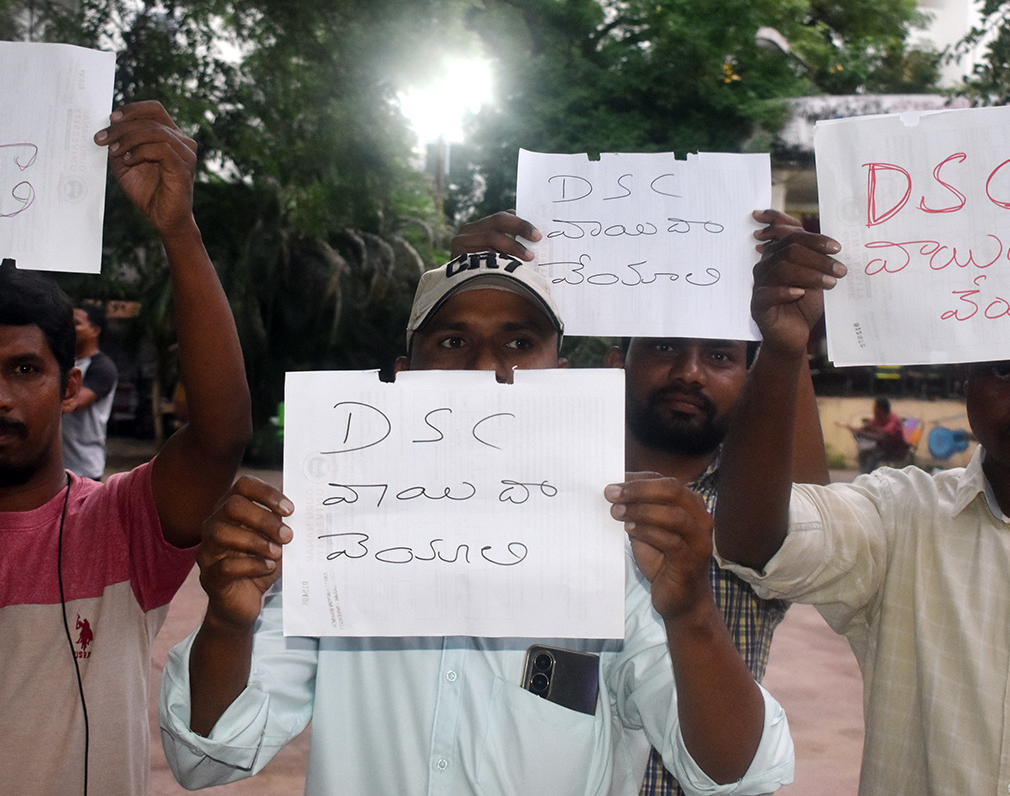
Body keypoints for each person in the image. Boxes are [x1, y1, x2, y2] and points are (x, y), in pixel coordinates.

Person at [159, 249, 795, 795]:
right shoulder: (330, 549)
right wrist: (227, 621)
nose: (488, 365)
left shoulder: (625, 554)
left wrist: (691, 615)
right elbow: (207, 753)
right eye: (453, 341)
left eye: (520, 343)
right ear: (404, 376)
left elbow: (735, 771)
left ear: (560, 375)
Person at [0, 101, 252, 796]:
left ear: (69, 386)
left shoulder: (121, 526)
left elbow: (220, 433)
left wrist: (179, 229)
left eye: (25, 369)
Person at [450, 209, 829, 796]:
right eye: (664, 345)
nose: (690, 371)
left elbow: (810, 505)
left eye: (722, 357)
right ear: (612, 366)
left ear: (753, 386)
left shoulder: (748, 516)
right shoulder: (530, 490)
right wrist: (473, 279)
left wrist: (787, 341)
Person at [712, 224, 1010, 795]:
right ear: (966, 382)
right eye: (1004, 372)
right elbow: (752, 541)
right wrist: (785, 348)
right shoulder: (899, 516)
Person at [61, 302, 119, 480]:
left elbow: (73, 403)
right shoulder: (63, 362)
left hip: (84, 467)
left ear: (95, 331)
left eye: (77, 323)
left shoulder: (102, 367)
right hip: (56, 467)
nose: (70, 328)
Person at [842, 396, 908, 473]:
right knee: (863, 452)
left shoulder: (893, 421)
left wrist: (862, 433)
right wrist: (850, 427)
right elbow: (866, 428)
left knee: (873, 456)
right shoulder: (878, 418)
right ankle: (863, 475)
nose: (873, 410)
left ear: (880, 409)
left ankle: (868, 476)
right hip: (882, 448)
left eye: (874, 407)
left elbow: (881, 437)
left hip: (895, 450)